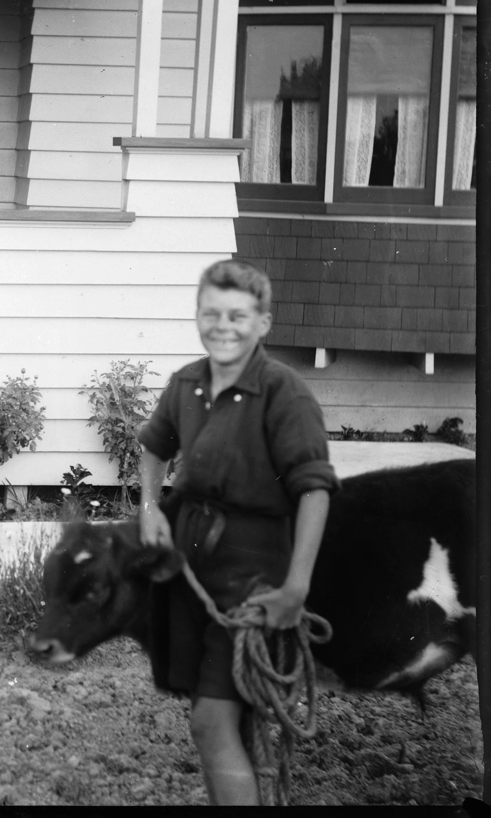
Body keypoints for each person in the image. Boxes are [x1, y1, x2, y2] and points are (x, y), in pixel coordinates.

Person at [136, 259, 340, 806]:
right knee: (220, 718)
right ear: (197, 317)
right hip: (193, 564)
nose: (223, 326)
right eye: (211, 313)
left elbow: (314, 489)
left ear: (264, 323)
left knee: (210, 721)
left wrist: (295, 590)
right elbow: (154, 446)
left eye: (238, 315)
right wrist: (151, 508)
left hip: (255, 568)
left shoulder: (283, 392)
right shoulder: (186, 384)